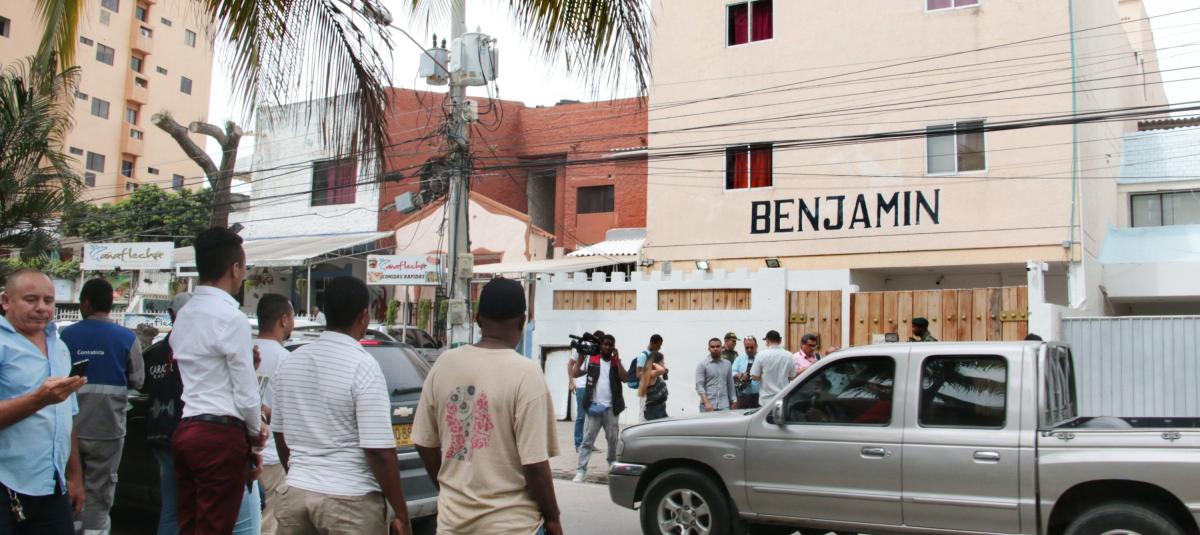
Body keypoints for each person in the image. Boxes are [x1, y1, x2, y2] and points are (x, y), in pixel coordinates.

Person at [412, 278, 561, 535]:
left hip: (453, 524)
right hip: (512, 526)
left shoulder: (444, 364)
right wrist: (553, 519)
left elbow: (424, 443)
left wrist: (449, 487)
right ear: (521, 322)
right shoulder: (526, 374)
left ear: (478, 320)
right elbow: (535, 465)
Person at [272, 277, 411, 535]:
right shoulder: (363, 366)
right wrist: (401, 513)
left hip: (296, 495)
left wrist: (300, 474)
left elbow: (280, 434)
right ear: (364, 316)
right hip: (350, 501)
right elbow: (378, 451)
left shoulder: (291, 362)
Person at [171, 227, 265, 535]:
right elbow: (246, 393)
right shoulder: (231, 318)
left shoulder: (185, 314)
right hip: (220, 436)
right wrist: (255, 436)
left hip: (187, 430)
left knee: (189, 525)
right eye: (244, 268)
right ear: (235, 268)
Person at [0, 270, 86, 535]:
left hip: (52, 485)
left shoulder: (60, 347)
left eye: (48, 300)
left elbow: (67, 416)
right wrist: (39, 400)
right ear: (6, 301)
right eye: (30, 299)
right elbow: (45, 402)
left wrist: (74, 476)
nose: (41, 308)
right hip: (7, 482)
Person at [60, 279, 145, 535]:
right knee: (101, 488)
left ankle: (72, 526)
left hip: (72, 429)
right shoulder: (127, 337)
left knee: (70, 483)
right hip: (108, 429)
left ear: (85, 303)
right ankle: (95, 530)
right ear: (110, 304)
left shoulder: (66, 336)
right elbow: (138, 380)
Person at [142, 292, 192, 535]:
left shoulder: (156, 352)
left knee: (172, 507)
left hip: (161, 434)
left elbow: (141, 385)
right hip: (183, 436)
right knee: (184, 507)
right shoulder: (194, 351)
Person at [252, 294, 294, 535]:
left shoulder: (245, 352)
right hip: (274, 456)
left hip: (242, 452)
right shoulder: (286, 360)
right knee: (268, 525)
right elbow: (291, 413)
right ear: (284, 320)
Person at [571, 333, 627, 483]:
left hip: (611, 409)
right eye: (605, 344)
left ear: (613, 347)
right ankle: (581, 470)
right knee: (587, 441)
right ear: (601, 345)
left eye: (610, 345)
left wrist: (618, 361)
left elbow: (625, 378)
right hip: (594, 407)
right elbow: (575, 373)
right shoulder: (592, 360)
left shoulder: (615, 363)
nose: (607, 347)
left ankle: (612, 465)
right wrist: (581, 356)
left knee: (613, 440)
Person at [566, 330, 603, 451]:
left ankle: (588, 443)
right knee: (581, 416)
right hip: (581, 385)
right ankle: (578, 444)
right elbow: (570, 364)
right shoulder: (583, 347)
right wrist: (571, 382)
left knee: (592, 417)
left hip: (593, 385)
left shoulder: (598, 350)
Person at [751, 330, 798, 403]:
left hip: (766, 399)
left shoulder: (761, 355)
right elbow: (792, 376)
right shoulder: (789, 355)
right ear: (780, 341)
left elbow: (754, 377)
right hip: (783, 397)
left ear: (767, 340)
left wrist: (765, 375)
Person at [696, 338, 737, 413]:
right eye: (713, 347)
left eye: (718, 346)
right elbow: (699, 386)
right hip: (707, 406)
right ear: (709, 349)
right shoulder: (702, 364)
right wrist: (706, 403)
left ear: (721, 348)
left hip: (724, 406)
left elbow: (730, 384)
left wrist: (734, 400)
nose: (715, 349)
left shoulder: (727, 364)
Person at [632, 334, 664, 422]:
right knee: (644, 414)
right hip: (645, 390)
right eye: (658, 345)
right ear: (652, 343)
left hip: (654, 390)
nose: (659, 348)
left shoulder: (654, 355)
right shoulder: (643, 356)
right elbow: (638, 374)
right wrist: (653, 373)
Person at [731, 335, 761, 409]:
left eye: (751, 347)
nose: (749, 350)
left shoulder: (762, 358)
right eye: (747, 348)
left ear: (756, 346)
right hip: (743, 396)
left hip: (759, 396)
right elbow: (732, 372)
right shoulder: (739, 359)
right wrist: (740, 375)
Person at [638, 351, 669, 421]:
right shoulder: (649, 374)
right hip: (652, 413)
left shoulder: (655, 376)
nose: (664, 363)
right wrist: (653, 363)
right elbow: (662, 370)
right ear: (657, 364)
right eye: (662, 361)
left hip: (660, 411)